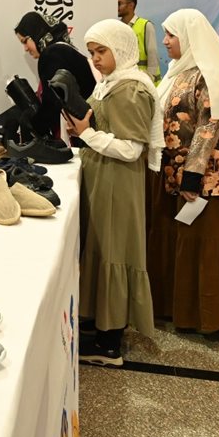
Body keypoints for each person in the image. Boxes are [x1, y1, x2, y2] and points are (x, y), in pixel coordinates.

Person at [149, 8, 219, 335]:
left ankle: (216, 316)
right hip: (177, 173)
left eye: (171, 34)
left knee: (210, 242)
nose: (165, 41)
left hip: (209, 180)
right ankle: (180, 309)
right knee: (184, 241)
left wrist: (193, 176)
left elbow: (208, 128)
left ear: (190, 37)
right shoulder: (178, 73)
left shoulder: (211, 75)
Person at [64, 19, 159, 365]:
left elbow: (132, 149)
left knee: (115, 250)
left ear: (120, 48)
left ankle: (109, 343)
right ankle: (99, 325)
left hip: (118, 182)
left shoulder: (131, 89)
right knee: (102, 248)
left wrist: (87, 134)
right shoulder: (111, 84)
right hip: (102, 176)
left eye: (101, 51)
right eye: (92, 52)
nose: (96, 59)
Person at [14, 10, 96, 137]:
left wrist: (33, 126)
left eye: (25, 41)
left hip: (81, 132)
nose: (25, 48)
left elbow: (52, 103)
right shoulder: (64, 50)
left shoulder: (52, 55)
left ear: (37, 33)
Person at [118, 0, 160, 83]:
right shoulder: (117, 27)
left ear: (131, 5)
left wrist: (149, 81)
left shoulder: (146, 25)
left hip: (144, 81)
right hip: (126, 80)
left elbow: (152, 56)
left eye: (119, 4)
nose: (116, 7)